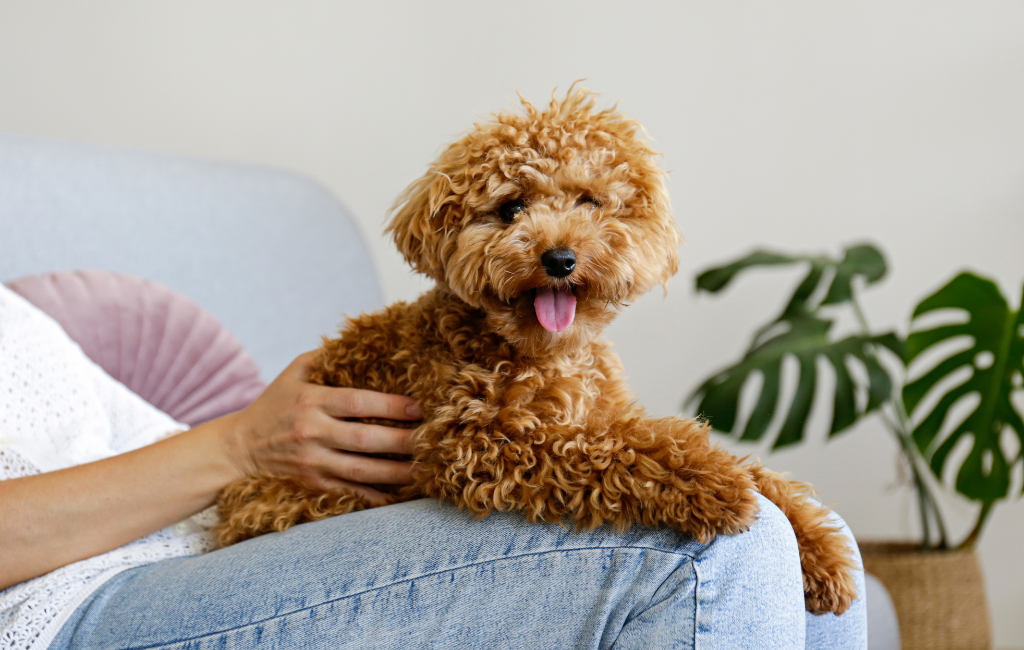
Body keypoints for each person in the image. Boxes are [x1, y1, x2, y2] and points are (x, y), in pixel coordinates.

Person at [0, 283, 867, 649]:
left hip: (202, 536)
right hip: (65, 605)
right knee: (716, 548)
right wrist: (239, 444)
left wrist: (273, 434)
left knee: (812, 542)